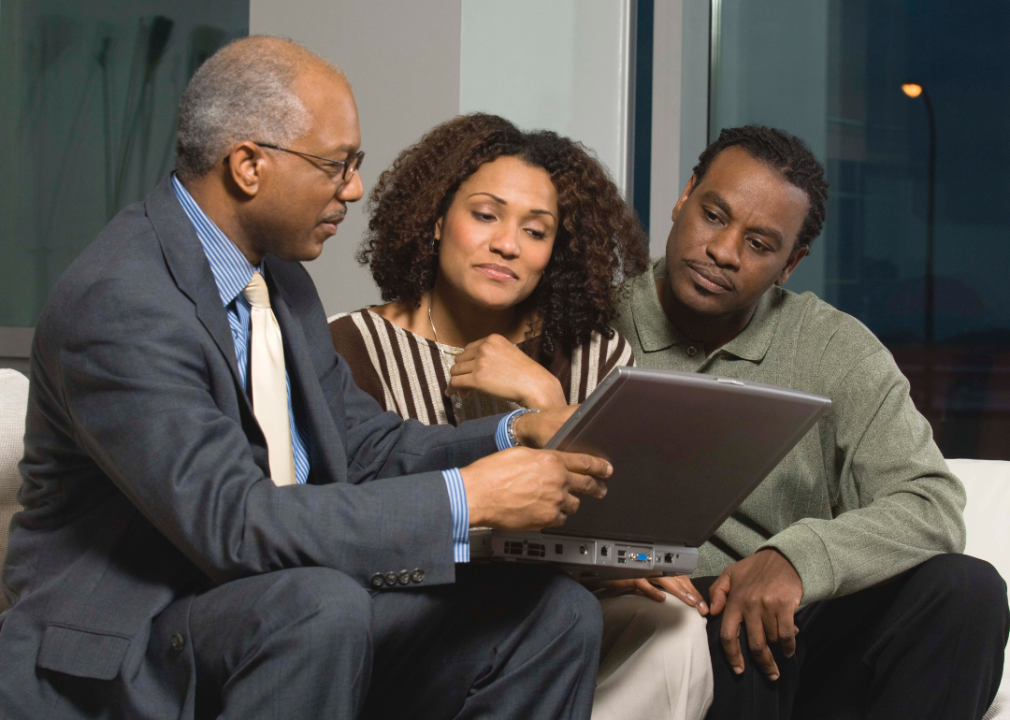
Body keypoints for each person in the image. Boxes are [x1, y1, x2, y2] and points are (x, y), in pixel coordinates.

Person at [0, 37, 618, 720]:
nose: (354, 188)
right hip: (132, 644)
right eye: (336, 165)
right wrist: (465, 502)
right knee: (319, 606)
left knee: (553, 613)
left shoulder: (280, 280)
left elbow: (362, 446)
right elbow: (234, 526)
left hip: (275, 615)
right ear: (248, 166)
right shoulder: (122, 300)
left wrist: (512, 431)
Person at [610, 125, 1009, 719]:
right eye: (714, 215)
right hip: (666, 621)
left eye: (760, 243)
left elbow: (929, 502)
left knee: (967, 591)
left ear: (790, 264)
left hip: (798, 627)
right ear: (684, 195)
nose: (723, 251)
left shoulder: (833, 348)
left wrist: (796, 558)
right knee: (721, 634)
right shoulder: (593, 321)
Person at [330, 113, 715, 720]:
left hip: (566, 603)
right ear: (436, 220)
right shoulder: (348, 349)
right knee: (557, 610)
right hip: (422, 616)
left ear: (552, 253)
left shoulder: (592, 352)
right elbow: (354, 524)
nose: (507, 244)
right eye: (485, 215)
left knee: (671, 627)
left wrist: (541, 392)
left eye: (535, 232)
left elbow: (633, 517)